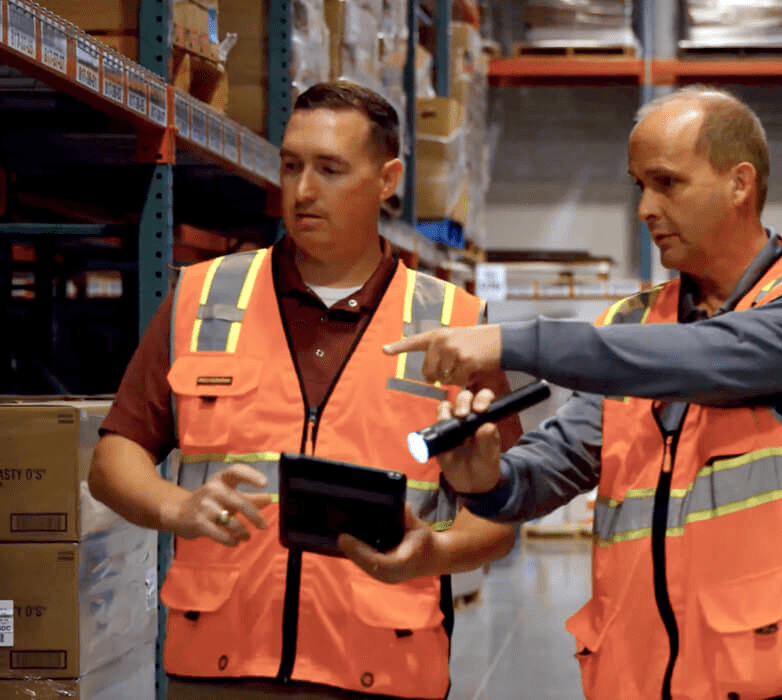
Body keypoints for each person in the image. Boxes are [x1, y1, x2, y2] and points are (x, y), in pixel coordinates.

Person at [385, 86, 782, 700]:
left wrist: (511, 341)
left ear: (740, 184)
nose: (645, 208)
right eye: (639, 185)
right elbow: (554, 465)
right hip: (643, 679)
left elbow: (705, 357)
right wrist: (486, 478)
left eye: (666, 183)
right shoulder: (635, 323)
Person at [89, 80, 520, 700]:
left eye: (330, 169)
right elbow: (114, 457)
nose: (303, 190)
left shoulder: (453, 325)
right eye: (291, 166)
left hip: (381, 670)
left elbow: (501, 515)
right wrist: (175, 508)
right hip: (219, 670)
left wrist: (433, 552)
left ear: (387, 179)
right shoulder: (204, 298)